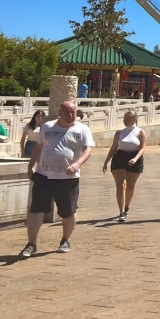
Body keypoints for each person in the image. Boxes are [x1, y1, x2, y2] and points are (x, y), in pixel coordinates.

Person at [20, 101, 94, 257]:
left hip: (67, 177)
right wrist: (31, 165)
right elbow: (39, 147)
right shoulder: (47, 127)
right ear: (59, 112)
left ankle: (65, 239)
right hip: (43, 175)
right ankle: (31, 243)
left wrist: (77, 164)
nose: (70, 116)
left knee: (68, 211)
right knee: (36, 210)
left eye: (73, 112)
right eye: (67, 112)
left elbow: (88, 149)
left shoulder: (82, 129)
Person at [101, 110, 147, 222]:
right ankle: (121, 212)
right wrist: (106, 162)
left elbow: (143, 148)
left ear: (134, 119)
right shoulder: (119, 132)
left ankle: (126, 207)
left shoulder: (140, 132)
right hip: (120, 158)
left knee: (130, 186)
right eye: (124, 118)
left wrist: (135, 159)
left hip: (135, 158)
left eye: (128, 118)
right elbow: (113, 148)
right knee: (121, 185)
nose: (125, 121)